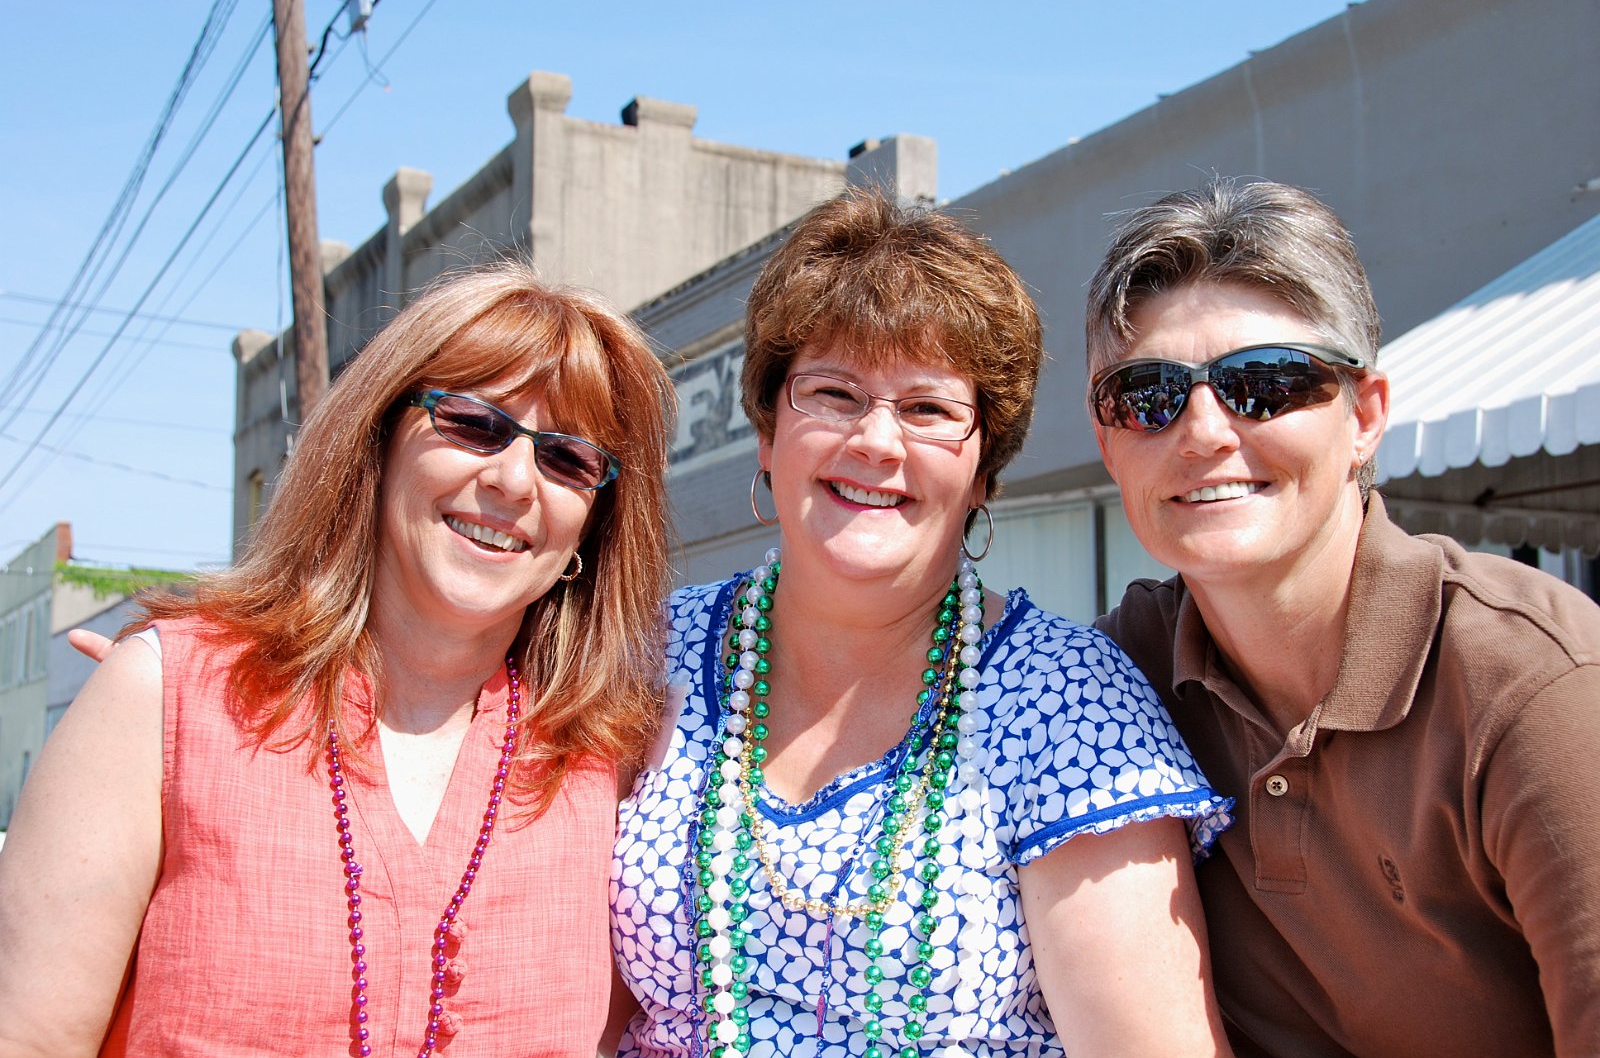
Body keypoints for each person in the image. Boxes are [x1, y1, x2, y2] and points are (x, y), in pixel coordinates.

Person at [609, 188, 1235, 1057]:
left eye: (929, 409)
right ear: (766, 432)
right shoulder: (648, 654)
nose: (876, 441)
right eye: (832, 393)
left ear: (983, 471)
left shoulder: (1066, 706)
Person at [0, 263, 676, 1057]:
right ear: (379, 441)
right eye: (472, 422)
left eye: (568, 459)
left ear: (589, 531)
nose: (513, 479)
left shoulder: (614, 769)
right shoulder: (163, 700)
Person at [1085, 177, 1600, 1056]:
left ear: (1365, 416)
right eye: (1148, 393)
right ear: (1108, 441)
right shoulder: (1115, 673)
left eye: (1265, 382)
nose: (1203, 431)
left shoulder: (1532, 684)